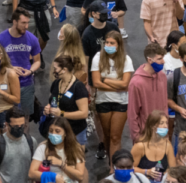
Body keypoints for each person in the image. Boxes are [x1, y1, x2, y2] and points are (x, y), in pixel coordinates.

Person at [0, 9, 42, 124]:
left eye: (27, 22)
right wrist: (8, 69)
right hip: (6, 85)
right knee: (5, 119)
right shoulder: (0, 39)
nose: (26, 26)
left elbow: (37, 61)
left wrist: (30, 71)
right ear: (14, 22)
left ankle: (24, 141)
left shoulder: (32, 39)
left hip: (26, 85)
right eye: (23, 23)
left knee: (24, 119)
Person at [92, 30, 133, 164]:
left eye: (112, 43)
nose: (108, 45)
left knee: (116, 137)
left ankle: (113, 167)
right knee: (108, 136)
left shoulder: (126, 60)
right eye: (107, 42)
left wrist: (106, 80)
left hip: (121, 102)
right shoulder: (97, 57)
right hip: (102, 101)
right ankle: (111, 162)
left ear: (118, 44)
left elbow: (126, 84)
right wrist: (118, 85)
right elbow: (96, 83)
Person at [127, 43, 170, 143]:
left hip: (162, 133)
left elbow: (164, 105)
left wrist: (165, 130)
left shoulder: (163, 76)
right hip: (144, 137)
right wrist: (136, 137)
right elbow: (132, 114)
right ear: (150, 60)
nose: (163, 61)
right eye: (159, 59)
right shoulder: (136, 83)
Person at [46, 55, 91, 146]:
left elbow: (84, 113)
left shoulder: (78, 87)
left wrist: (62, 114)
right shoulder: (56, 83)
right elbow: (53, 100)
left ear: (64, 70)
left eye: (55, 68)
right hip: (59, 131)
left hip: (75, 132)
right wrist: (48, 107)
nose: (54, 71)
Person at [28, 117, 86, 183]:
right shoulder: (43, 148)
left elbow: (80, 176)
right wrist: (52, 176)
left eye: (57, 131)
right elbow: (31, 174)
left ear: (65, 133)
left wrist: (61, 164)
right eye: (51, 130)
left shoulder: (76, 148)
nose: (53, 134)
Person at [0, 107, 36, 183]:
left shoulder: (32, 142)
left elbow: (35, 168)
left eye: (22, 125)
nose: (19, 128)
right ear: (6, 124)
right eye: (16, 126)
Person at [131, 110, 177, 180]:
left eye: (166, 123)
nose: (165, 126)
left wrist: (165, 174)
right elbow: (129, 168)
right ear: (152, 126)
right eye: (162, 123)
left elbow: (173, 168)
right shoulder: (140, 146)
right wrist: (146, 172)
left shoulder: (167, 145)